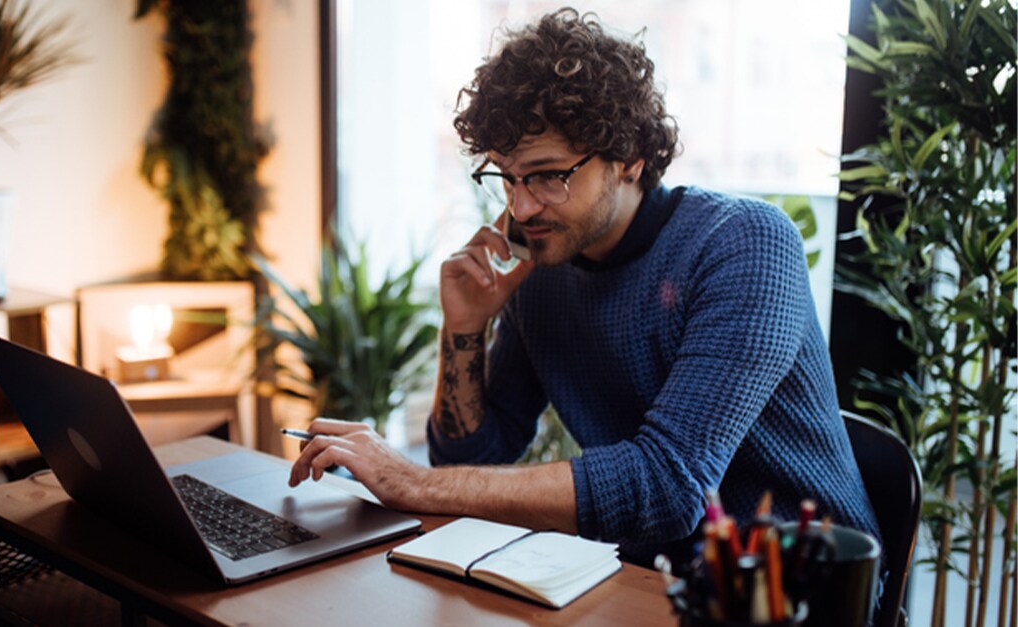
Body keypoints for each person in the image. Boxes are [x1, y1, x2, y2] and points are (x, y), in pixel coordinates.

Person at [287, 7, 881, 569]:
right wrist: (464, 327)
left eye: (547, 175)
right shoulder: (540, 267)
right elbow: (472, 463)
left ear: (630, 157)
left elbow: (668, 486)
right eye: (507, 177)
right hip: (642, 576)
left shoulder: (744, 244)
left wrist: (410, 479)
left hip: (801, 584)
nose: (520, 207)